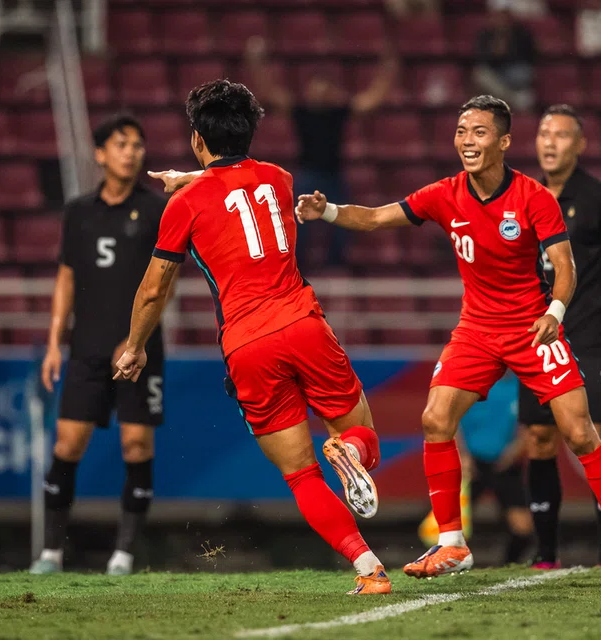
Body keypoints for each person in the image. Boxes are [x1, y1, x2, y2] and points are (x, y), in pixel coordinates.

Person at [295, 95, 601, 584]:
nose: (467, 141)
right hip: (477, 331)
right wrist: (328, 210)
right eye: (462, 131)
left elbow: (565, 269)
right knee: (435, 419)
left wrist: (555, 311)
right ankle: (452, 545)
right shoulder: (446, 193)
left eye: (479, 132)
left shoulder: (534, 198)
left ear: (504, 141)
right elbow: (377, 217)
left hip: (532, 327)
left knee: (580, 433)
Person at [114, 80, 391, 595]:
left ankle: (369, 570)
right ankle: (348, 450)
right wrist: (194, 173)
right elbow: (241, 182)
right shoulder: (281, 179)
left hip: (247, 345)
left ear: (198, 137)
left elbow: (154, 290)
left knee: (301, 475)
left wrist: (134, 347)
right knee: (365, 439)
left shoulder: (183, 204)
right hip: (305, 325)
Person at [30, 115, 169, 576]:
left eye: (138, 144)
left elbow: (166, 281)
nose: (132, 152)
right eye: (122, 143)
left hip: (141, 347)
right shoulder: (79, 211)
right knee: (67, 444)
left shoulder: (156, 210)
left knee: (136, 445)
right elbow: (66, 278)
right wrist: (54, 343)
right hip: (87, 347)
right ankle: (50, 553)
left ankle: (124, 555)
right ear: (101, 153)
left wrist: (136, 339)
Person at [521, 104, 601, 569]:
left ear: (581, 144)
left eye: (562, 135)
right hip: (537, 337)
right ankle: (545, 553)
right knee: (538, 438)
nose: (550, 142)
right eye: (544, 133)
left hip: (588, 336)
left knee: (596, 436)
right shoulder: (523, 196)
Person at [244, 36, 398, 268]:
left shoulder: (338, 112)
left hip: (333, 177)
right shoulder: (301, 112)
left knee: (342, 228)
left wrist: (389, 66)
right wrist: (255, 62)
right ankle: (297, 268)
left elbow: (373, 99)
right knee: (299, 227)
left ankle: (337, 269)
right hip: (308, 176)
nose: (319, 91)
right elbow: (268, 92)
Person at [457, 373, 535, 566]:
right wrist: (462, 456)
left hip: (506, 464)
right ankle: (451, 565)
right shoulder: (471, 381)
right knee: (451, 525)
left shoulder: (522, 386)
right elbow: (449, 421)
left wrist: (515, 451)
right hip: (471, 465)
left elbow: (531, 426)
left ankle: (507, 565)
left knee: (523, 528)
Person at [472, 8, 536, 112]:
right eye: (498, 17)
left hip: (515, 71)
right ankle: (513, 100)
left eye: (504, 17)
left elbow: (528, 56)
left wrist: (507, 50)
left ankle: (505, 101)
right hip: (494, 74)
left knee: (523, 74)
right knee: (480, 75)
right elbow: (480, 59)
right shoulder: (486, 34)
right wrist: (494, 53)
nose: (501, 21)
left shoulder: (521, 33)